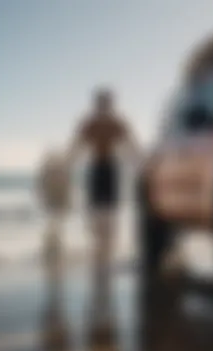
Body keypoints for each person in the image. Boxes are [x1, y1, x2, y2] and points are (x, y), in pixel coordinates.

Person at [67, 87, 140, 332]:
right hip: (103, 171)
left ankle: (102, 264)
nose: (104, 107)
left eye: (105, 103)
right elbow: (132, 150)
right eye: (104, 103)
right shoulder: (105, 123)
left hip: (104, 171)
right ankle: (102, 263)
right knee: (103, 224)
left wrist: (66, 165)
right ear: (104, 103)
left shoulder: (101, 123)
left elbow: (75, 151)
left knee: (105, 223)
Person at [36, 149, 71, 324]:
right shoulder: (52, 172)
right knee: (53, 233)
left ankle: (54, 258)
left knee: (54, 233)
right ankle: (53, 257)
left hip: (55, 206)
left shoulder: (53, 173)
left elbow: (61, 190)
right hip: (54, 206)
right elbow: (42, 188)